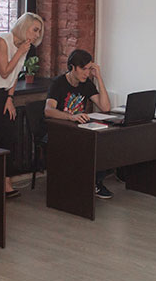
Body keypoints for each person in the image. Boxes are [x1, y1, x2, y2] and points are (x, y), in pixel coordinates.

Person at [0, 12, 44, 198]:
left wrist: (10, 98)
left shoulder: (24, 46)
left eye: (39, 32)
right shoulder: (2, 41)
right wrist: (20, 52)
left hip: (2, 92)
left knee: (9, 135)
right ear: (24, 26)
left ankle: (6, 182)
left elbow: (14, 75)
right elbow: (4, 71)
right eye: (35, 30)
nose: (37, 35)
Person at [45, 49, 113, 198]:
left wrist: (99, 77)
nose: (87, 73)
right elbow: (48, 110)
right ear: (72, 67)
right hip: (59, 130)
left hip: (79, 129)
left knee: (103, 142)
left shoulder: (86, 84)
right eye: (83, 69)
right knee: (86, 146)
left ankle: (95, 182)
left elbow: (105, 107)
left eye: (89, 69)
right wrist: (71, 117)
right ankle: (84, 184)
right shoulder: (58, 83)